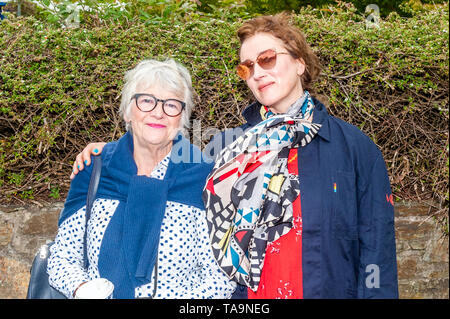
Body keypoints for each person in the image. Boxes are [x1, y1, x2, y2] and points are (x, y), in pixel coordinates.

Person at [71, 13, 398, 299]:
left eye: (268, 58)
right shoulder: (233, 149)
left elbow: (376, 256)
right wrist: (108, 150)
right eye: (247, 66)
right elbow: (163, 150)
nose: (257, 72)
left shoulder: (356, 151)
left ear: (299, 62)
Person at [48, 58, 236, 299]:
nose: (158, 112)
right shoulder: (95, 170)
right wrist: (83, 289)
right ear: (128, 111)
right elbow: (62, 257)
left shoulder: (203, 178)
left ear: (182, 118)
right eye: (146, 100)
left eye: (171, 104)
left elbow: (221, 276)